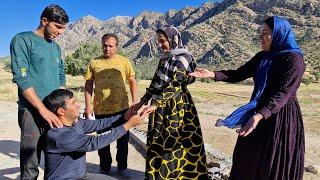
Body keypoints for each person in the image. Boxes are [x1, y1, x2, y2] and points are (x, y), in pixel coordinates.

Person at [190, 16, 305, 180]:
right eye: (260, 32)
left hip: (280, 117)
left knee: (273, 162)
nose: (260, 37)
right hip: (258, 114)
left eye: (265, 33)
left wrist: (259, 115)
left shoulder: (294, 59)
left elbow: (284, 92)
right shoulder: (262, 57)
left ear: (279, 34)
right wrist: (212, 74)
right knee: (247, 159)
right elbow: (238, 74)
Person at [133, 26, 208, 179]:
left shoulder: (184, 57)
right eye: (158, 42)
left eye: (163, 41)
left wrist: (155, 104)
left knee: (174, 144)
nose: (160, 45)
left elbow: (176, 84)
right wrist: (142, 101)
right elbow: (156, 82)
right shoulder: (165, 58)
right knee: (157, 142)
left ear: (173, 39)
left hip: (177, 106)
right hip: (159, 107)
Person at [10, 4, 69, 179]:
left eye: (63, 28)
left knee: (54, 162)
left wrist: (62, 107)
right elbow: (22, 78)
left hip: (53, 112)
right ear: (44, 21)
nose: (60, 32)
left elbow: (60, 77)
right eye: (58, 27)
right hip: (32, 112)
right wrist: (42, 110)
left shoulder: (55, 48)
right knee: (31, 165)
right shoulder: (22, 40)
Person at [43, 89, 150, 180]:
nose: (78, 105)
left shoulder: (76, 123)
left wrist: (124, 117)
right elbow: (94, 142)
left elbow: (99, 124)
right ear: (61, 111)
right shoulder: (59, 136)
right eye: (73, 103)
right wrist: (128, 125)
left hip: (81, 176)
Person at [84, 33, 138, 177]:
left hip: (122, 109)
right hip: (101, 109)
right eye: (104, 45)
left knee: (122, 141)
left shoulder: (124, 61)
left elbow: (132, 81)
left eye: (110, 46)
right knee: (102, 142)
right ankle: (105, 168)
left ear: (116, 46)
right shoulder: (94, 63)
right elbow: (88, 85)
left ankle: (122, 168)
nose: (107, 48)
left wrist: (135, 102)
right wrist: (88, 106)